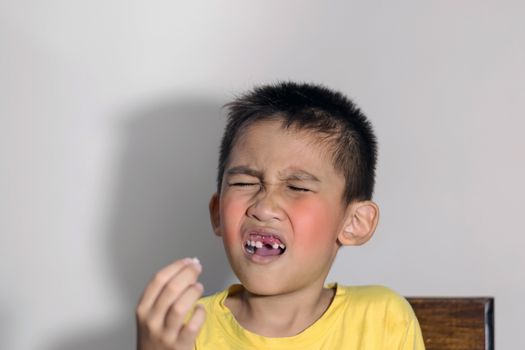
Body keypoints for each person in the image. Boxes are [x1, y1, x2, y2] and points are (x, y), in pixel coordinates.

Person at [136, 82, 425, 349]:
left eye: (297, 187)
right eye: (244, 184)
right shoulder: (181, 330)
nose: (263, 207)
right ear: (217, 213)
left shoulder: (382, 320)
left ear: (354, 223)